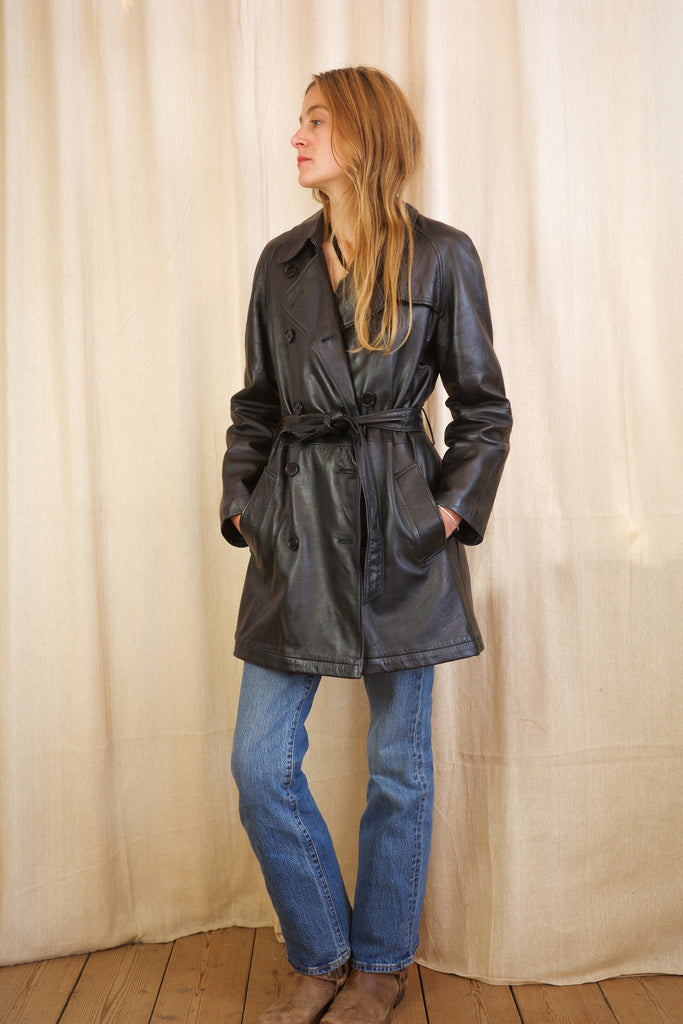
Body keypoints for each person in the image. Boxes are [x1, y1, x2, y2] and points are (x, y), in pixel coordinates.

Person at [220, 66, 512, 1024]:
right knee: (260, 764)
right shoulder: (280, 264)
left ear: (365, 134)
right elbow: (256, 406)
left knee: (399, 768)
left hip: (400, 534)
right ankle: (321, 951)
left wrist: (444, 514)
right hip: (295, 532)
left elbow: (482, 409)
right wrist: (245, 507)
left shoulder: (442, 257)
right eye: (299, 120)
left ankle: (381, 965)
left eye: (316, 120)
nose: (296, 137)